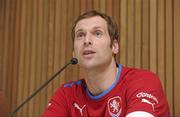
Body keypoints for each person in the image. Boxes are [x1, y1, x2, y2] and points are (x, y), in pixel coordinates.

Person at [42, 10, 170, 117]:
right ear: (74, 53)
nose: (87, 40)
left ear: (114, 46)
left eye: (97, 33)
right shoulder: (66, 94)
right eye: (80, 35)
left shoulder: (143, 81)